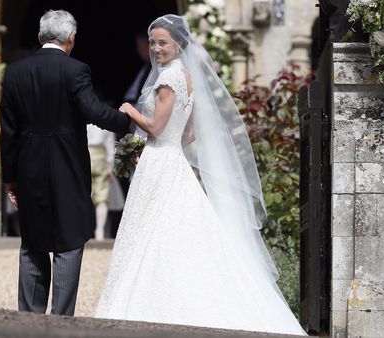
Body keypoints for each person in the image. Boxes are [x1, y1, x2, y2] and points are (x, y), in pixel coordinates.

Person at [94, 15, 307, 336]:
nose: (155, 48)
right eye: (152, 42)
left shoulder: (168, 79)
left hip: (160, 162)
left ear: (179, 44)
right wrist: (165, 143)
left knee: (151, 227)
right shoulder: (188, 77)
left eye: (162, 42)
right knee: (173, 228)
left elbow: (156, 126)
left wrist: (129, 110)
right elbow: (190, 133)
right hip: (172, 158)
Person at [0, 9, 131, 316]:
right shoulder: (76, 70)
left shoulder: (15, 72)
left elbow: (8, 130)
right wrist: (128, 122)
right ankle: (60, 320)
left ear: (39, 37)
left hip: (29, 168)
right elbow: (95, 111)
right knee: (69, 239)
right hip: (68, 167)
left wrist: (11, 177)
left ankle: (29, 318)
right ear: (70, 39)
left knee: (33, 242)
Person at [86, 124, 115, 240]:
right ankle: (99, 230)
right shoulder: (104, 121)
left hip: (86, 156)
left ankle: (88, 230)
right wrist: (110, 168)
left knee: (83, 195)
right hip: (100, 159)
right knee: (102, 197)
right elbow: (110, 146)